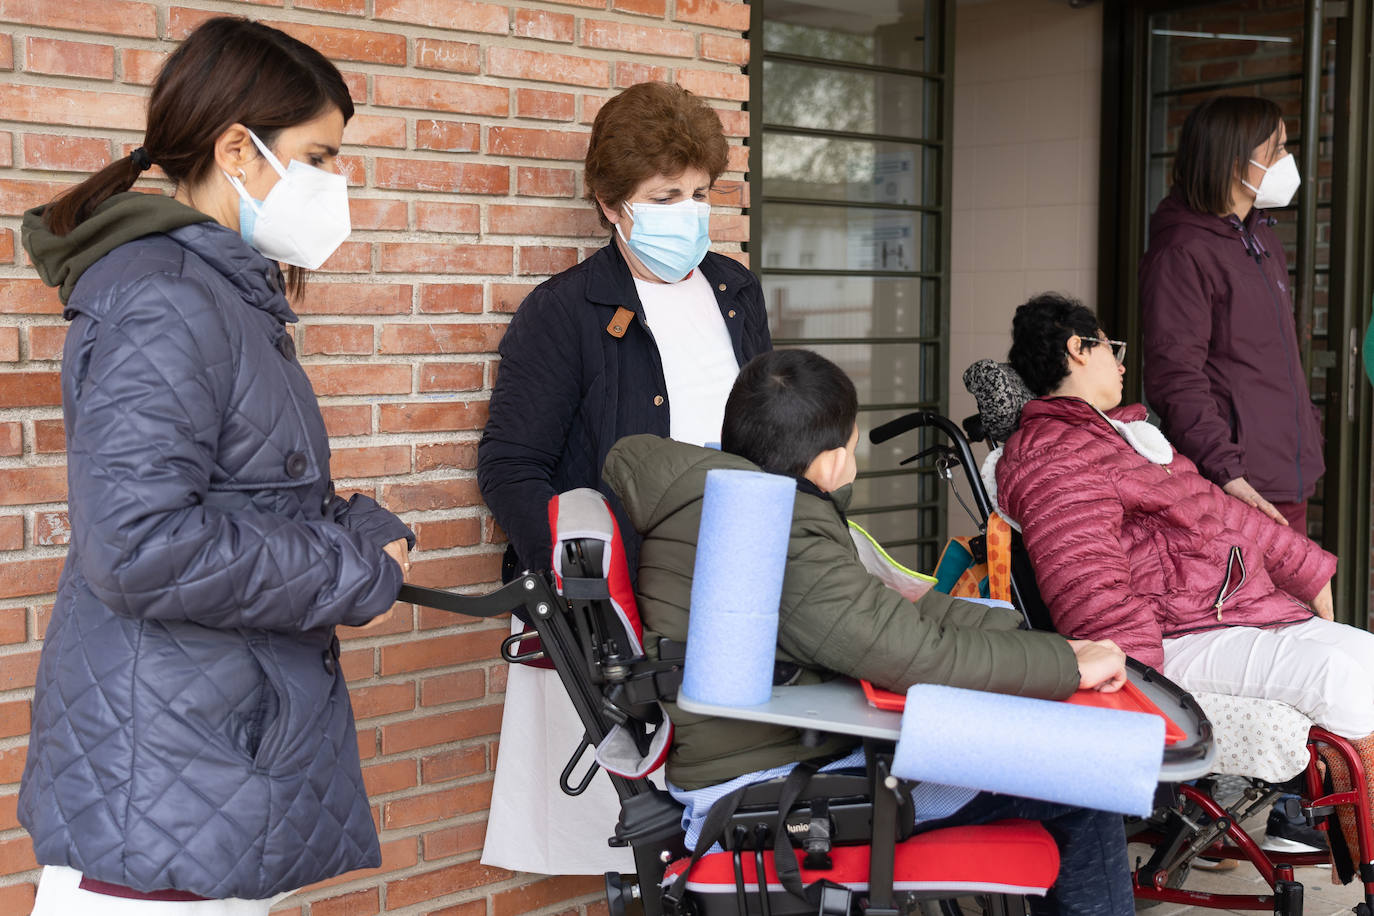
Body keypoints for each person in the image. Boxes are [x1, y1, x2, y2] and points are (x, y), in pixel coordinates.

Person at [18, 18, 412, 914]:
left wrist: (362, 527)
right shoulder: (168, 301)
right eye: (321, 156)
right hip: (169, 784)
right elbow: (140, 545)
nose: (338, 183)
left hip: (206, 766)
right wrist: (354, 568)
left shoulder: (221, 298)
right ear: (240, 149)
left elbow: (251, 493)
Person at [603, 349, 1136, 915]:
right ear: (833, 461)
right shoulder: (775, 529)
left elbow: (885, 615)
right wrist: (1067, 667)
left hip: (776, 752)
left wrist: (1031, 635)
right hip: (780, 782)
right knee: (1085, 781)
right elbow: (911, 654)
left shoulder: (729, 498)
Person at [476, 81, 771, 874]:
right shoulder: (564, 312)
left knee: (741, 818)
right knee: (645, 837)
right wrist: (592, 585)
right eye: (664, 195)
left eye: (701, 192)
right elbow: (511, 467)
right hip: (631, 613)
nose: (690, 211)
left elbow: (767, 434)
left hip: (740, 590)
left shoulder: (736, 290)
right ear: (612, 204)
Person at [995, 293, 1374, 869]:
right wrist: (1141, 696)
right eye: (1112, 348)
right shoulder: (1054, 455)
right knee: (1342, 679)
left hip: (1226, 616)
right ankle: (1366, 861)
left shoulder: (1128, 438)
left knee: (1366, 657)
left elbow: (1223, 515)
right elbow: (1092, 589)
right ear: (1077, 348)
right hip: (1170, 642)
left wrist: (1304, 565)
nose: (1123, 364)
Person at [1140, 95, 1323, 531]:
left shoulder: (1261, 237)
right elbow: (1175, 376)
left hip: (1284, 472)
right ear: (1234, 159)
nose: (1286, 159)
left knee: (1294, 600)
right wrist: (1227, 471)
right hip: (1239, 482)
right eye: (1276, 149)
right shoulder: (1183, 251)